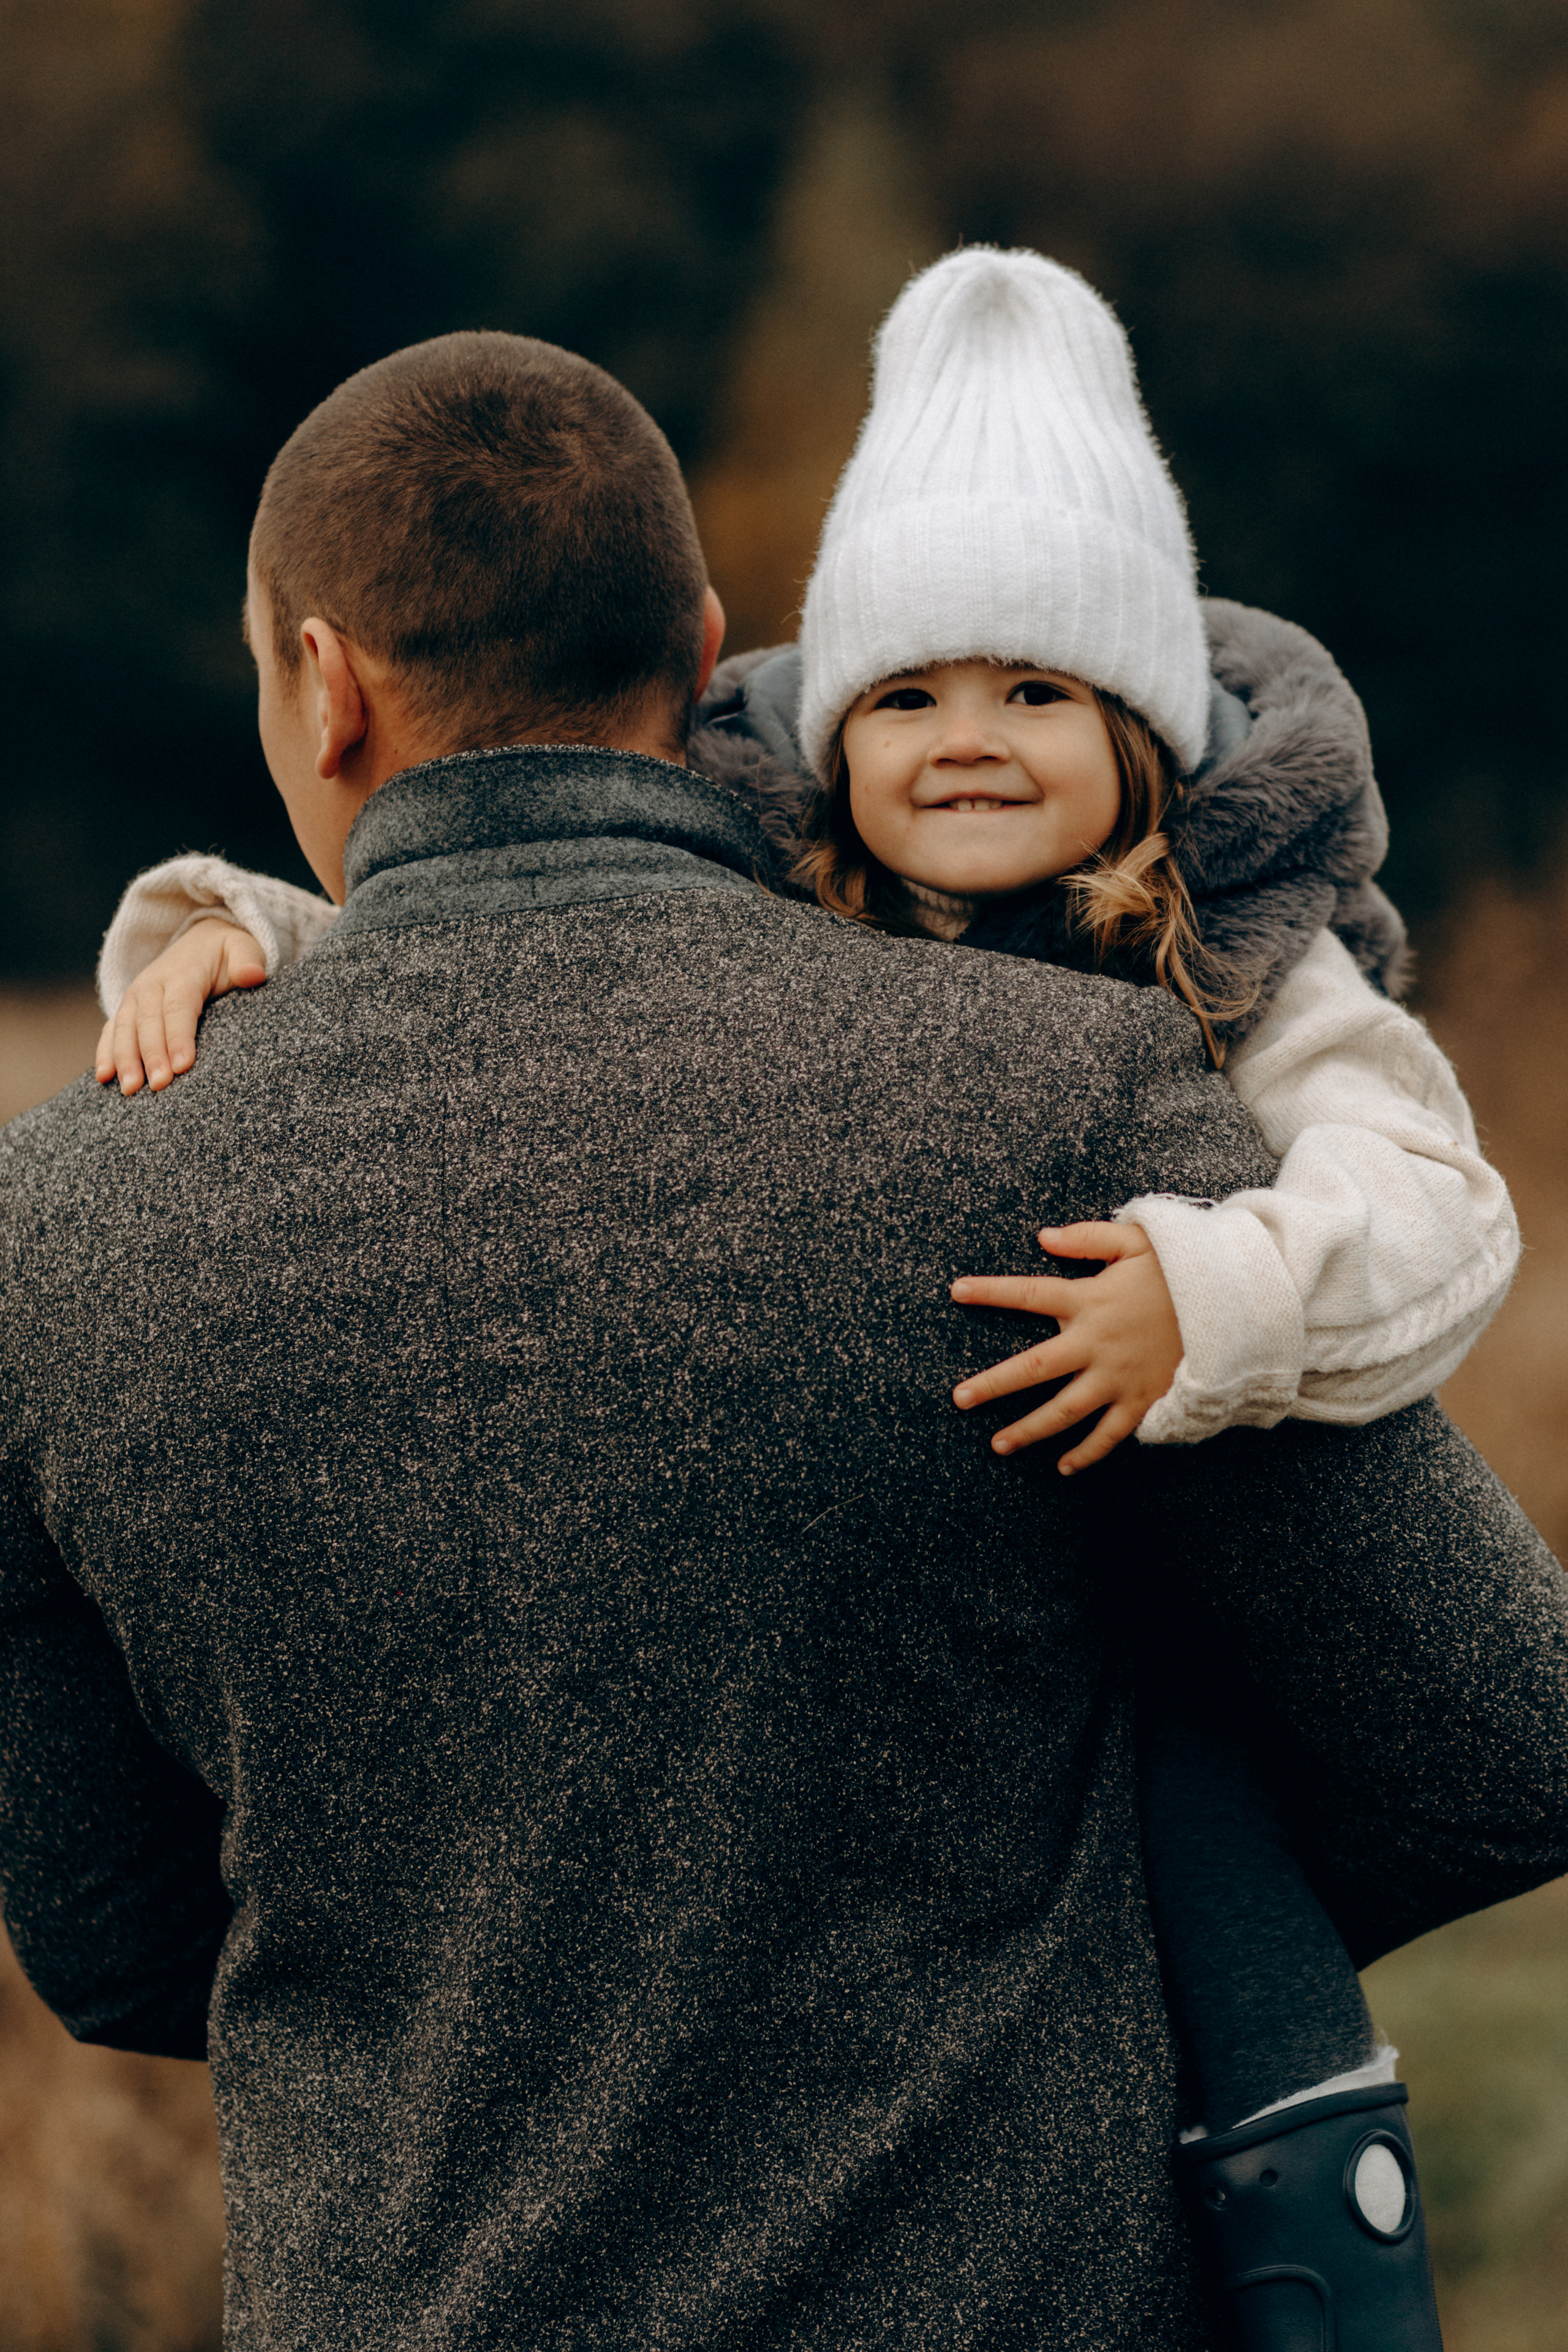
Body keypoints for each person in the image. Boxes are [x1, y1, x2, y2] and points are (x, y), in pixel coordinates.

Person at [89, 258, 1522, 2345]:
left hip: (414, 2275)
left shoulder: (1240, 971)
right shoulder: (810, 912)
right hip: (1002, 2194)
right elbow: (1488, 1748)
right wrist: (217, 932)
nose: (967, 748)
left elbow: (1431, 1203)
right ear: (751, 686)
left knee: (1248, 1982)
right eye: (914, 699)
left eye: (1038, 695)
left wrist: (1216, 1296)